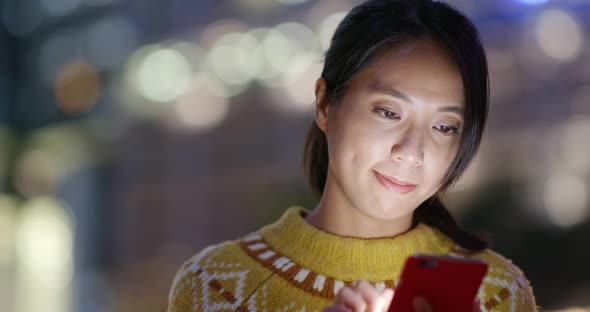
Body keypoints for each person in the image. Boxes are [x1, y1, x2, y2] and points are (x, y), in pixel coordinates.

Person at [167, 0, 537, 311]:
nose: (412, 152)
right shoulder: (216, 286)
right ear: (325, 104)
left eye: (444, 127)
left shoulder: (498, 293)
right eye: (389, 112)